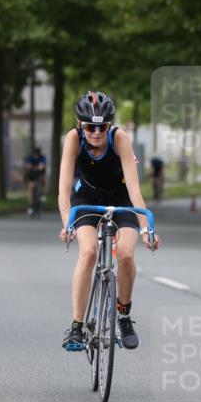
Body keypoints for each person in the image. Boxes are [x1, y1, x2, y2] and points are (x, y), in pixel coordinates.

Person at [58, 91, 160, 352]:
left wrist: (147, 229)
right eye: (90, 126)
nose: (96, 132)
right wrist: (66, 224)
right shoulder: (73, 139)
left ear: (109, 124)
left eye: (102, 126)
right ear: (80, 124)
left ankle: (124, 316)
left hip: (121, 197)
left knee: (126, 254)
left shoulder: (119, 138)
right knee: (88, 253)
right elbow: (63, 189)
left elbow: (135, 190)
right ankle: (77, 327)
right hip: (86, 198)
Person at [25, 146, 46, 215]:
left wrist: (35, 168)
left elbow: (42, 167)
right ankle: (30, 206)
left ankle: (43, 194)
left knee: (43, 179)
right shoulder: (30, 158)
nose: (36, 155)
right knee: (31, 187)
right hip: (32, 175)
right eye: (35, 154)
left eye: (37, 154)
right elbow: (28, 166)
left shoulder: (42, 158)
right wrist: (36, 168)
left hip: (40, 174)